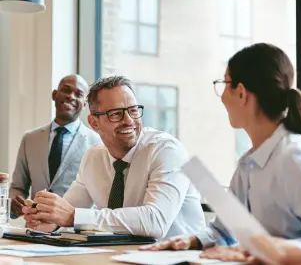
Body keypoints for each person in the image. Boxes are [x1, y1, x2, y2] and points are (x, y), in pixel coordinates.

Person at [141, 43, 301, 254]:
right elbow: (225, 231)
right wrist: (192, 240)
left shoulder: (297, 160)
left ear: (241, 93)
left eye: (224, 83)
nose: (222, 96)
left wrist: (278, 250)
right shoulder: (249, 164)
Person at [22, 75, 206, 238]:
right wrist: (47, 218)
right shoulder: (93, 157)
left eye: (133, 110)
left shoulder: (167, 150)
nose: (129, 121)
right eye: (116, 114)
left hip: (180, 259)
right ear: (94, 123)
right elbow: (68, 210)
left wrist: (72, 216)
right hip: (122, 256)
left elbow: (155, 221)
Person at [10, 74, 101, 218]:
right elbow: (17, 187)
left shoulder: (97, 143)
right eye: (66, 90)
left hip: (74, 233)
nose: (71, 96)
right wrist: (14, 201)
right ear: (54, 95)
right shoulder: (30, 139)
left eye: (78, 94)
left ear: (85, 103)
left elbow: (100, 196)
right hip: (34, 228)